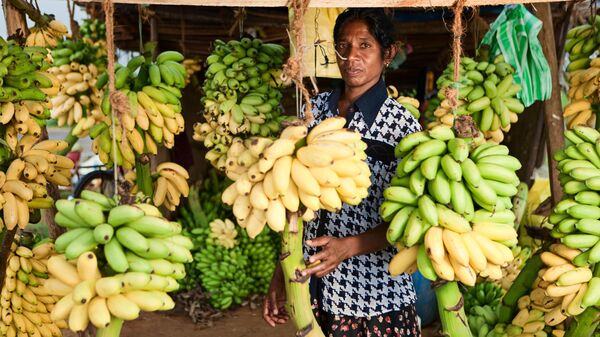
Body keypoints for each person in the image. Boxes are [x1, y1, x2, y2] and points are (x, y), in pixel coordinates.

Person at [263, 8, 422, 337]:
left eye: (365, 46)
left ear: (387, 53)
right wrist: (281, 273)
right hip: (318, 296)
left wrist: (350, 245)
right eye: (343, 46)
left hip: (379, 298)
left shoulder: (402, 125)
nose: (352, 56)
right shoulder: (313, 110)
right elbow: (293, 198)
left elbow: (413, 217)